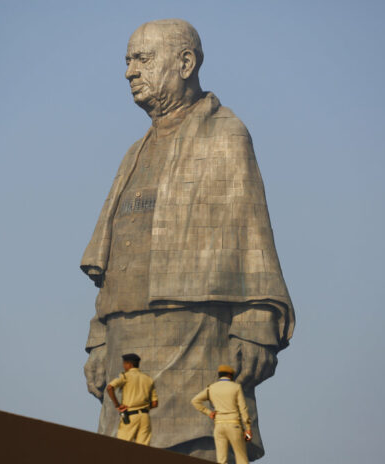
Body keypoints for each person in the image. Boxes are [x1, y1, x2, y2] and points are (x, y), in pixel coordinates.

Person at [81, 18, 295, 460]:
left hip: (197, 335)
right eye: (127, 61)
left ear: (185, 63)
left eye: (142, 59)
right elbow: (114, 258)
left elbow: (251, 232)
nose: (129, 72)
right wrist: (100, 338)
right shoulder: (132, 155)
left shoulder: (225, 135)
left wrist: (256, 322)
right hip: (127, 343)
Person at [191, 365, 251, 464]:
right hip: (234, 425)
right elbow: (243, 408)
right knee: (241, 458)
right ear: (230, 375)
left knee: (221, 460)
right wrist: (248, 429)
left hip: (218, 426)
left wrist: (209, 412)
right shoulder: (236, 387)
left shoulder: (211, 388)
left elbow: (195, 401)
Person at [105, 353, 158, 445]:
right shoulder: (148, 379)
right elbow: (155, 403)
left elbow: (110, 387)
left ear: (129, 364)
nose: (123, 366)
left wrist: (117, 405)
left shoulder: (125, 376)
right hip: (145, 417)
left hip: (130, 416)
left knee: (122, 447)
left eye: (124, 364)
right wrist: (143, 406)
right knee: (143, 449)